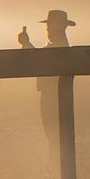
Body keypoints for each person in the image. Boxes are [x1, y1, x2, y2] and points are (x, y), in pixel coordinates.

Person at [33, 10, 73, 154]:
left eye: (50, 25)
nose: (48, 29)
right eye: (48, 25)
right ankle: (57, 162)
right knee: (55, 134)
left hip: (53, 95)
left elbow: (39, 60)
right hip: (55, 94)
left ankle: (57, 162)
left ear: (61, 26)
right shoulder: (59, 44)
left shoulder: (58, 47)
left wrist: (26, 45)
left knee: (54, 134)